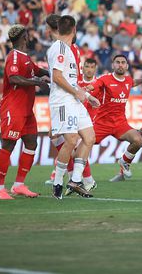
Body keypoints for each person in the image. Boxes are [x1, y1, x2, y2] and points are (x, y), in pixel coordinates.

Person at [0, 24, 49, 199]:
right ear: (24, 37)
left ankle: (19, 185)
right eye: (28, 35)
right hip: (13, 107)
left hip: (26, 109)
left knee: (32, 144)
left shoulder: (25, 57)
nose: (30, 37)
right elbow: (14, 78)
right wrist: (37, 82)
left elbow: (38, 70)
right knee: (9, 144)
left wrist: (56, 74)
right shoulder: (14, 57)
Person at [48, 15, 100, 199]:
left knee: (89, 137)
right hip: (62, 100)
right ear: (74, 30)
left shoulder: (69, 49)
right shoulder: (60, 47)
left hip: (73, 99)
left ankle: (76, 180)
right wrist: (77, 93)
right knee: (71, 140)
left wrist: (87, 95)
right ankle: (57, 183)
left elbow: (69, 79)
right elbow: (58, 76)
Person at [88, 55, 142, 174]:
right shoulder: (105, 79)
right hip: (102, 123)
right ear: (113, 65)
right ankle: (68, 173)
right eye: (118, 62)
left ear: (127, 66)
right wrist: (88, 88)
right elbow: (94, 86)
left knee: (138, 140)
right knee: (82, 146)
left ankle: (124, 161)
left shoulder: (128, 80)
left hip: (120, 124)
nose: (120, 65)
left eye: (123, 62)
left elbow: (133, 82)